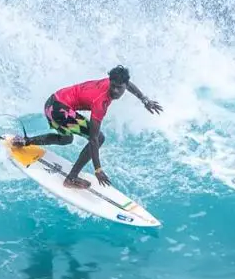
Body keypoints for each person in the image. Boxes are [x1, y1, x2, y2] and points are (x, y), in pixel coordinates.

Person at [12, 65, 163, 189]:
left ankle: (26, 142)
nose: (115, 91)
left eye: (119, 88)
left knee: (65, 139)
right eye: (113, 87)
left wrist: (144, 99)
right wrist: (98, 169)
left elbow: (128, 84)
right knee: (100, 137)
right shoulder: (101, 102)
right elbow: (93, 139)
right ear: (110, 82)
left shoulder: (118, 81)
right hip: (60, 109)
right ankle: (71, 178)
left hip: (52, 103)